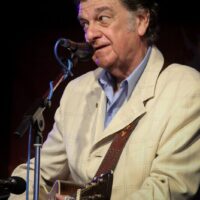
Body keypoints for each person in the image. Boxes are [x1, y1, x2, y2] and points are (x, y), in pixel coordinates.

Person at [10, 0, 200, 199]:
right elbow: (41, 172)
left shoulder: (186, 88)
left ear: (141, 21)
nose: (90, 34)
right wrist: (9, 189)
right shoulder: (77, 90)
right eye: (85, 23)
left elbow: (167, 189)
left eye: (103, 19)